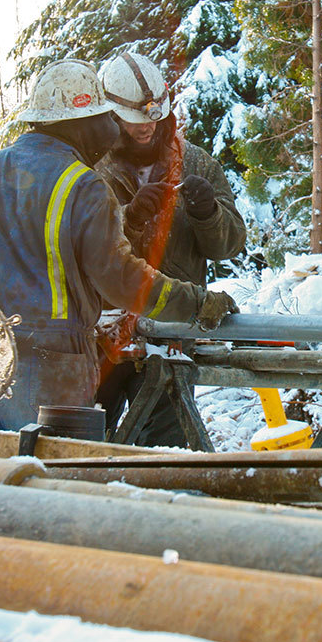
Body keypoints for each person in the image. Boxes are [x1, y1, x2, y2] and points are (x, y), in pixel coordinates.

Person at [0, 59, 238, 431]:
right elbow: (119, 278)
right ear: (84, 125)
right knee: (55, 478)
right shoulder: (83, 184)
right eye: (105, 118)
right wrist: (196, 303)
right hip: (51, 362)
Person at [94, 51, 247, 445]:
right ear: (110, 116)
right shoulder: (91, 171)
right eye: (134, 121)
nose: (146, 128)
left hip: (171, 335)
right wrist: (129, 217)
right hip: (100, 339)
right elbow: (82, 249)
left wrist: (207, 212)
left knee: (167, 450)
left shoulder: (194, 163)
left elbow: (230, 244)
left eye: (153, 118)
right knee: (85, 447)